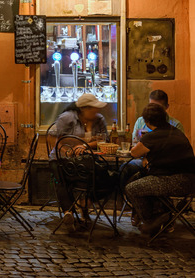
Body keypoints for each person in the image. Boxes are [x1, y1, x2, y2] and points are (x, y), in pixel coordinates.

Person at [125, 103, 195, 234]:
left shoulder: (153, 136)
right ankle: (163, 214)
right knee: (138, 178)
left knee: (131, 188)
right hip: (189, 180)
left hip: (174, 181)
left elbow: (134, 153)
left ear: (147, 122)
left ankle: (152, 221)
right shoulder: (176, 132)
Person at [48, 93, 108, 231]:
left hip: (87, 159)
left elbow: (104, 140)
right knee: (61, 178)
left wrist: (85, 146)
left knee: (106, 176)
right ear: (84, 109)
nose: (97, 111)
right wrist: (67, 151)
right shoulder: (67, 118)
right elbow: (55, 139)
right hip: (62, 158)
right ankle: (68, 212)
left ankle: (86, 203)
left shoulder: (99, 120)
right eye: (94, 108)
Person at [121, 90, 184, 205]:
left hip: (167, 169)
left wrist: (148, 158)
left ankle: (151, 212)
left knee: (137, 180)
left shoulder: (172, 126)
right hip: (149, 161)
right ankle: (141, 207)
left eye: (157, 108)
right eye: (151, 106)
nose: (154, 111)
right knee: (126, 169)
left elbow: (174, 154)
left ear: (166, 108)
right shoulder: (142, 122)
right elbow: (135, 145)